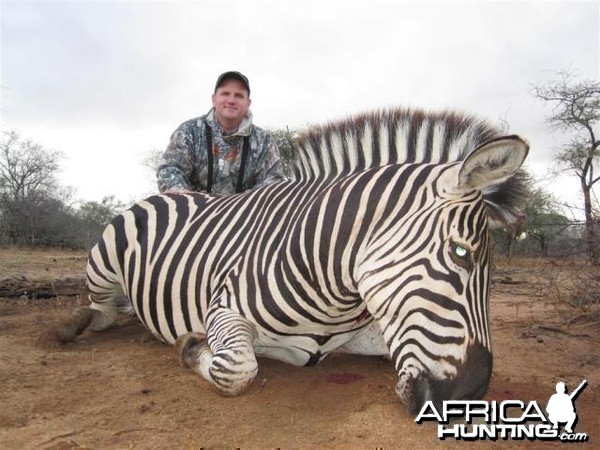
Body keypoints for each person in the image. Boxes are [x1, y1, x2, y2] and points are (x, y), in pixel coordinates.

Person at [157, 71, 285, 195]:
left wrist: (238, 205)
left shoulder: (264, 141)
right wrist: (183, 194)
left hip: (245, 213)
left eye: (239, 95)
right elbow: (169, 169)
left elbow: (272, 184)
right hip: (195, 213)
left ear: (248, 103)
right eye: (225, 94)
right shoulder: (189, 132)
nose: (231, 100)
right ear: (214, 99)